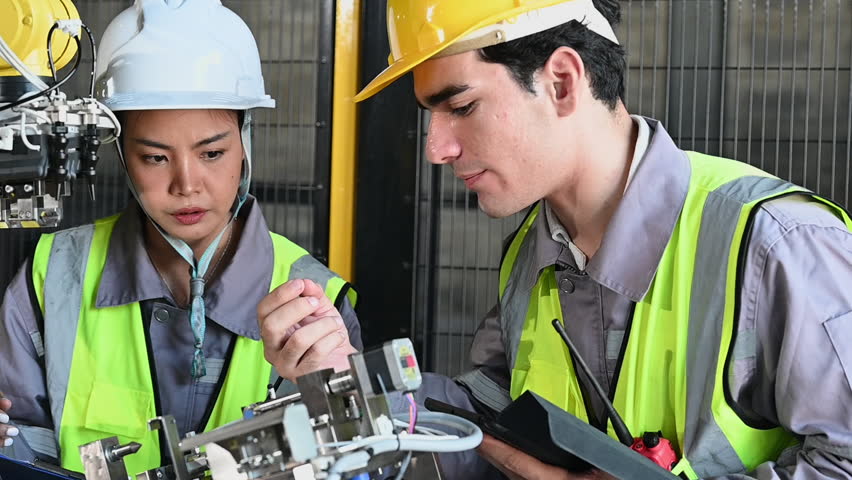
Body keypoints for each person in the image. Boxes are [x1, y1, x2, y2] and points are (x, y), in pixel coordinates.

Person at [352, 0, 852, 478]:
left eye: (461, 106)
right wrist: (354, 389)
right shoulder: (533, 250)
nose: (436, 149)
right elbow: (487, 427)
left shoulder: (778, 245)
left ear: (563, 82)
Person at [0, 0, 360, 476]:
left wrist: (342, 391)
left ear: (245, 141)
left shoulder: (316, 306)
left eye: (212, 153)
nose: (186, 184)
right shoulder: (51, 280)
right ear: (121, 152)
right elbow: (22, 453)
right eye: (155, 157)